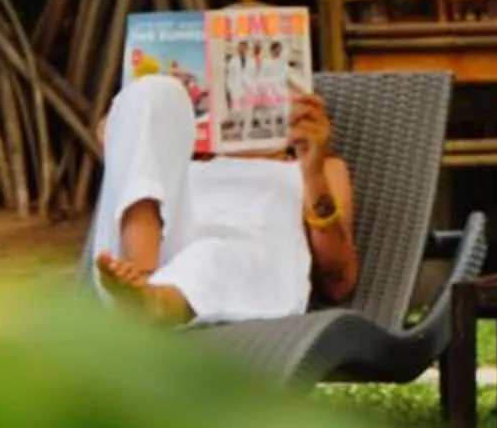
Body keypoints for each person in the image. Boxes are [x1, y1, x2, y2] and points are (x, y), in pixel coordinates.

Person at [93, 75, 357, 324]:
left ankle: (152, 302)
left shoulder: (316, 168)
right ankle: (140, 275)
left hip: (248, 263)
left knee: (209, 254)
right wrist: (123, 133)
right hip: (160, 254)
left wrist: (312, 173)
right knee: (152, 90)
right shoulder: (185, 163)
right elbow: (139, 191)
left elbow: (338, 281)